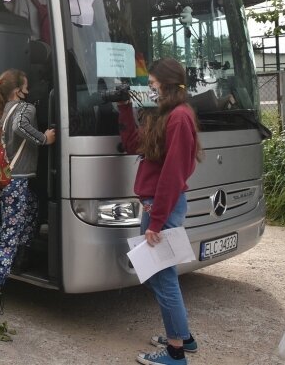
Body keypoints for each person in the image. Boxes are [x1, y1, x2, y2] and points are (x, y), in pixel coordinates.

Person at [117, 58, 202, 365]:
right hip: (157, 206)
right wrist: (125, 107)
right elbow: (131, 143)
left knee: (163, 278)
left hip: (161, 206)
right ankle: (184, 338)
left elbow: (173, 174)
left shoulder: (179, 118)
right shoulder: (165, 115)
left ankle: (176, 353)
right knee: (162, 275)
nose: (149, 89)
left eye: (152, 84)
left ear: (166, 84)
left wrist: (158, 221)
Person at [0, 69, 56, 327]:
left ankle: (23, 253)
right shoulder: (25, 109)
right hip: (15, 181)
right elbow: (22, 127)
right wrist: (44, 138)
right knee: (8, 235)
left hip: (0, 181)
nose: (29, 91)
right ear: (19, 90)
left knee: (33, 206)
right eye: (26, 86)